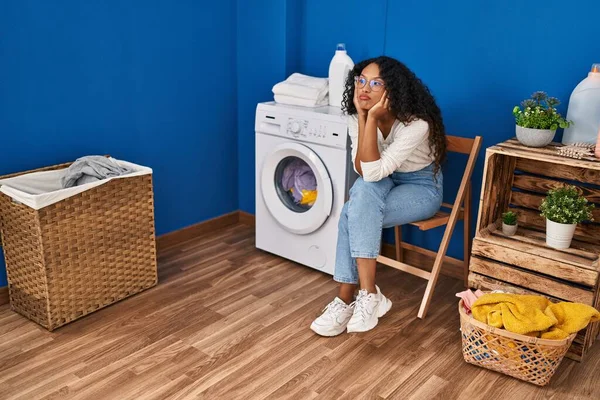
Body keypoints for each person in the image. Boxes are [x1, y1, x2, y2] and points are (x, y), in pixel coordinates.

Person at [310, 56, 447, 336]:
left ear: (392, 89)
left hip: (422, 187)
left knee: (353, 211)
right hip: (383, 180)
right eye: (360, 80)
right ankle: (369, 295)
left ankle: (347, 297)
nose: (364, 88)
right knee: (360, 197)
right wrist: (362, 118)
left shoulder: (415, 124)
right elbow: (362, 169)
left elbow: (371, 173)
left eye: (375, 83)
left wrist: (370, 117)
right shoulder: (354, 114)